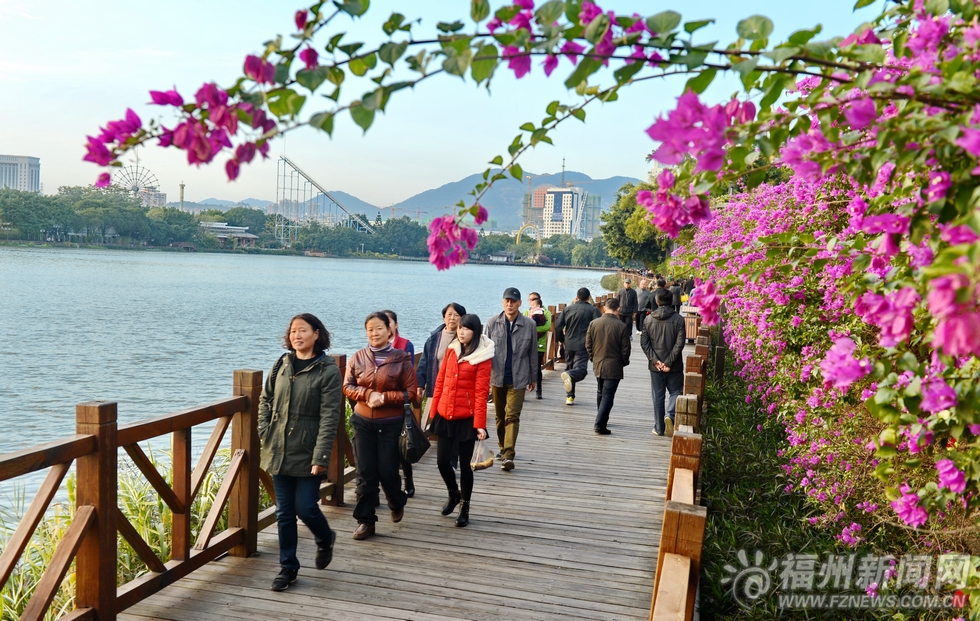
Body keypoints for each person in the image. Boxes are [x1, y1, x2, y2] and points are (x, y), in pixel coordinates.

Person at [258, 313, 342, 592]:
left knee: (305, 506)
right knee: (284, 512)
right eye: (293, 331)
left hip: (307, 450)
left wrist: (321, 456)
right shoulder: (281, 364)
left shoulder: (327, 370)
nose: (297, 335)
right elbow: (265, 399)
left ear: (317, 334)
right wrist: (264, 430)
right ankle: (288, 568)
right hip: (278, 448)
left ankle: (325, 537)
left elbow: (330, 417)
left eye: (303, 330)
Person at [343, 312, 418, 540]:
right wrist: (367, 393)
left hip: (390, 425)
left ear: (389, 330)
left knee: (387, 472)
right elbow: (347, 386)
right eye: (370, 329)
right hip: (363, 423)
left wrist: (385, 398)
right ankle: (366, 521)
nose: (374, 333)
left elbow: (412, 393)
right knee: (365, 473)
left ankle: (397, 500)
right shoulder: (357, 357)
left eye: (378, 328)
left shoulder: (401, 359)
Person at [428, 314, 494, 527]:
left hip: (467, 417)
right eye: (460, 328)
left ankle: (465, 507)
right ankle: (453, 493)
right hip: (444, 413)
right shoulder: (452, 349)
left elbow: (481, 392)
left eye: (466, 329)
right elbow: (440, 381)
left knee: (466, 466)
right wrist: (432, 413)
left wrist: (480, 424)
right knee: (442, 461)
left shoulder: (483, 356)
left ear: (475, 331)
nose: (461, 332)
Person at [486, 287, 538, 471]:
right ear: (503, 302)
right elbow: (485, 352)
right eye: (507, 301)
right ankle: (502, 447)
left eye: (513, 301)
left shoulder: (529, 324)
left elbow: (533, 353)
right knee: (500, 416)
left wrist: (534, 377)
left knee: (512, 415)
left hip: (519, 377)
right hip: (497, 377)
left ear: (520, 304)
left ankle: (508, 454)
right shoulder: (492, 323)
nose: (510, 304)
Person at [641, 290, 686, 437]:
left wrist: (656, 361)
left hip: (655, 367)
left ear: (657, 301)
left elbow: (645, 344)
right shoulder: (679, 319)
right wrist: (669, 362)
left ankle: (659, 428)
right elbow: (679, 344)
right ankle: (670, 414)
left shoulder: (648, 320)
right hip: (674, 366)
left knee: (658, 395)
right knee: (676, 391)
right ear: (672, 300)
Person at [384, 310, 417, 498]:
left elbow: (409, 374)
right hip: (380, 404)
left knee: (403, 443)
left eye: (389, 323)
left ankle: (408, 478)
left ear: (396, 325)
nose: (386, 328)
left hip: (400, 401)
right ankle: (391, 485)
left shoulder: (406, 345)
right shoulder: (373, 346)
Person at [586, 297, 631, 434]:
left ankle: (602, 417)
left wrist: (593, 358)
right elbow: (625, 349)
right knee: (608, 395)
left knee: (601, 392)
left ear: (604, 308)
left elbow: (588, 344)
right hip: (614, 365)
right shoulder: (622, 326)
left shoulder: (594, 323)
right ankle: (600, 424)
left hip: (598, 363)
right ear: (618, 309)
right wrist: (623, 362)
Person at [554, 287, 601, 406]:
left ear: (576, 297)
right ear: (589, 298)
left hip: (569, 343)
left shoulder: (567, 309)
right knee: (580, 370)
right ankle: (569, 379)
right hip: (583, 344)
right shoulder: (593, 310)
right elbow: (599, 327)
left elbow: (558, 326)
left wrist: (562, 339)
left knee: (570, 368)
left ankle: (570, 397)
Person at [417, 303, 466, 402]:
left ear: (462, 319)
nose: (452, 318)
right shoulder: (434, 339)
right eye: (449, 315)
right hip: (437, 386)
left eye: (456, 315)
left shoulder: (465, 338)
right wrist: (420, 385)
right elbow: (424, 363)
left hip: (458, 388)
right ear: (444, 318)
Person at [524, 292, 552, 400]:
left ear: (538, 300)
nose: (530, 302)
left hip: (539, 344)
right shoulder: (526, 312)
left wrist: (531, 328)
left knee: (537, 368)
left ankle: (539, 390)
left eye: (532, 299)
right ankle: (522, 390)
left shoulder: (546, 313)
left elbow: (547, 327)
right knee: (525, 367)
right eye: (529, 299)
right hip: (527, 344)